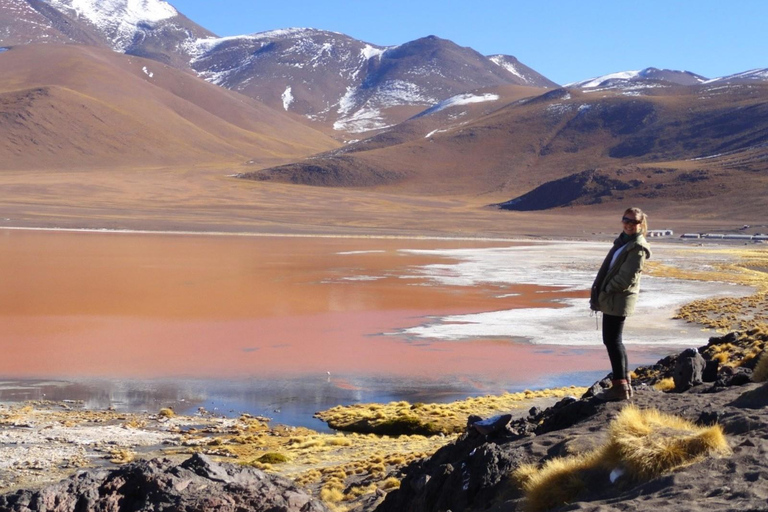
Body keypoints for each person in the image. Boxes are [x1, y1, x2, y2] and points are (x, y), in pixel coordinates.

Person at [590, 207, 652, 401]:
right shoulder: (623, 243)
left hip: (618, 298)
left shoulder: (637, 248)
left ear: (641, 225)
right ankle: (623, 384)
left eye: (633, 222)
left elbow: (626, 277)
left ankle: (620, 387)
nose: (628, 224)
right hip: (613, 297)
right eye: (626, 220)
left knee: (612, 340)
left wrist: (606, 290)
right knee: (614, 340)